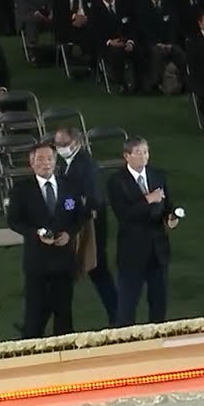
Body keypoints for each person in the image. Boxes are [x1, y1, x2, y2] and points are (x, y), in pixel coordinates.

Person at [7, 143, 84, 338]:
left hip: (63, 260)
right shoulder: (22, 190)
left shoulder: (69, 186)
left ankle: (65, 348)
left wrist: (69, 233)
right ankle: (31, 345)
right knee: (35, 311)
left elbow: (79, 216)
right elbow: (14, 221)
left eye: (49, 158)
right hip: (37, 261)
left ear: (55, 162)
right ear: (32, 163)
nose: (46, 163)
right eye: (40, 159)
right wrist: (36, 234)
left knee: (64, 311)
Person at [50, 126, 116, 326]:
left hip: (89, 226)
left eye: (64, 143)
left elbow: (90, 199)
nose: (60, 147)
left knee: (96, 269)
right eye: (57, 144)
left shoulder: (85, 165)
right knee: (91, 271)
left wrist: (68, 207)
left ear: (76, 142)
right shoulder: (70, 164)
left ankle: (118, 316)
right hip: (82, 223)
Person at [107, 136, 175, 326]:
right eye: (138, 153)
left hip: (158, 250)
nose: (143, 156)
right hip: (132, 253)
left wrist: (170, 217)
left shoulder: (158, 175)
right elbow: (124, 215)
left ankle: (159, 337)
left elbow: (167, 205)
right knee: (127, 305)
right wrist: (148, 199)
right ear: (126, 156)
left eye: (145, 152)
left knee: (159, 303)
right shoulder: (116, 181)